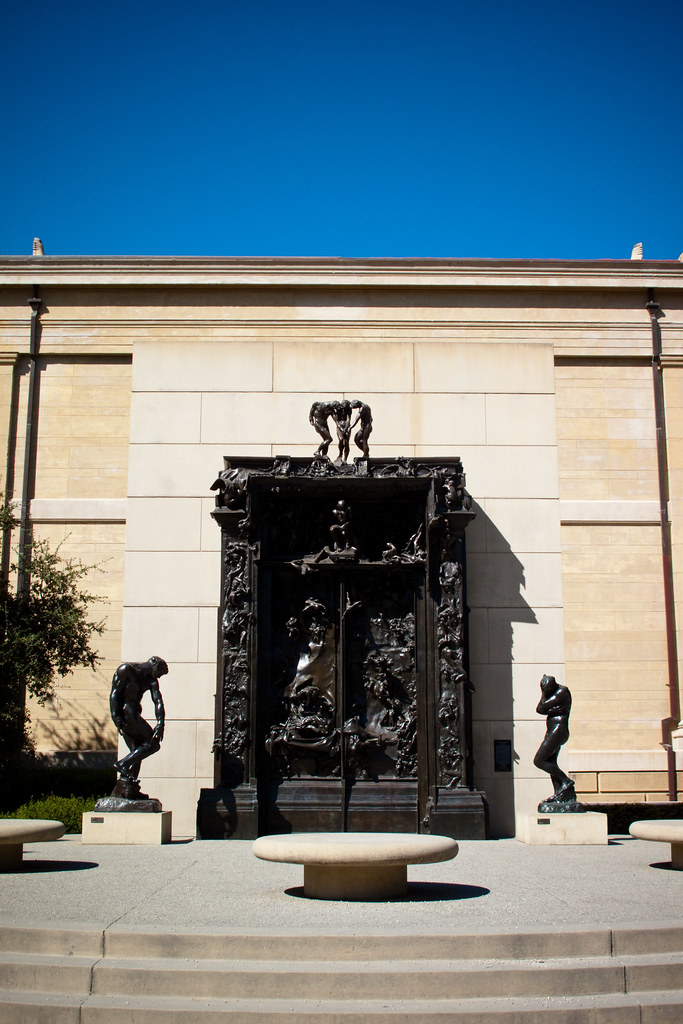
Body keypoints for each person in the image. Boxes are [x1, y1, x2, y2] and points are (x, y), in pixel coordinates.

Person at [110, 656, 168, 796]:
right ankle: (122, 764)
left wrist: (160, 723)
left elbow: (158, 701)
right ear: (154, 664)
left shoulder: (151, 681)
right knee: (152, 744)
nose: (159, 676)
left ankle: (129, 790)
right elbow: (115, 693)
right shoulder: (127, 670)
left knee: (137, 751)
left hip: (134, 713)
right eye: (160, 672)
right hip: (126, 714)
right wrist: (115, 715)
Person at [533, 674, 576, 803]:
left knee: (539, 760)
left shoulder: (562, 691)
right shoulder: (550, 692)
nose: (546, 692)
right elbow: (540, 709)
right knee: (551, 762)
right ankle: (559, 793)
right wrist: (544, 693)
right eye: (543, 689)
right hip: (552, 730)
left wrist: (546, 702)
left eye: (547, 689)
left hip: (558, 731)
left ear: (553, 685)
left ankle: (566, 781)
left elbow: (542, 706)